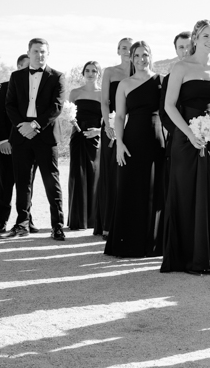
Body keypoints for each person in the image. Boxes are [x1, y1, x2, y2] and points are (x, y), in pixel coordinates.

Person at [161, 20, 210, 274]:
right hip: (185, 138)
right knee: (185, 192)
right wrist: (190, 133)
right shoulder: (181, 67)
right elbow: (170, 106)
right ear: (195, 38)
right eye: (205, 35)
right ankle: (185, 257)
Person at [0, 38, 67, 241]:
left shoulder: (57, 77)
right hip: (21, 136)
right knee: (22, 182)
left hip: (45, 135)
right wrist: (22, 127)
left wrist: (35, 126)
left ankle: (57, 226)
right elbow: (9, 105)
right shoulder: (16, 76)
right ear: (28, 52)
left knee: (51, 181)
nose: (40, 55)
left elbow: (56, 107)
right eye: (36, 51)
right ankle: (22, 224)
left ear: (48, 53)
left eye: (43, 51)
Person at [105, 42, 165, 257]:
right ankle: (127, 243)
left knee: (154, 190)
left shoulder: (161, 81)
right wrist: (119, 143)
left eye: (145, 54)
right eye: (137, 55)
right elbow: (119, 117)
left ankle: (154, 244)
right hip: (131, 141)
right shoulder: (124, 84)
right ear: (131, 58)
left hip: (157, 141)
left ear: (151, 56)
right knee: (130, 189)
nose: (141, 59)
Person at [0, 54, 37, 233]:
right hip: (7, 144)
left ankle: (26, 220)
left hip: (30, 145)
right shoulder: (2, 88)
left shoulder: (36, 90)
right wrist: (3, 140)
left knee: (27, 184)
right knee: (6, 183)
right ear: (18, 66)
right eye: (26, 67)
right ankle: (2, 220)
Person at [94, 37, 133, 238]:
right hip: (111, 125)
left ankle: (128, 222)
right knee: (111, 175)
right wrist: (108, 125)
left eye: (130, 48)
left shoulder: (140, 72)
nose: (127, 51)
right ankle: (108, 224)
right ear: (118, 50)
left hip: (134, 127)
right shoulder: (110, 72)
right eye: (123, 48)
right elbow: (104, 101)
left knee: (128, 173)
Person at [67, 61, 102, 230]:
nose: (90, 73)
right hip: (78, 137)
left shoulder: (103, 94)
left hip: (95, 140)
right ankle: (78, 220)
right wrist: (71, 121)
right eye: (87, 70)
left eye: (94, 71)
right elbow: (68, 115)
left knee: (95, 176)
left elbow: (110, 119)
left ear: (99, 74)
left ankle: (93, 220)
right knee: (77, 175)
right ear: (83, 73)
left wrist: (99, 131)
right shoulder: (75, 93)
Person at [160, 31, 191, 197]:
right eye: (181, 47)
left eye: (188, 46)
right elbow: (164, 113)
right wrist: (183, 133)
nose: (185, 50)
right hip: (178, 140)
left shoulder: (208, 76)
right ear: (176, 51)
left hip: (205, 138)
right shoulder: (169, 79)